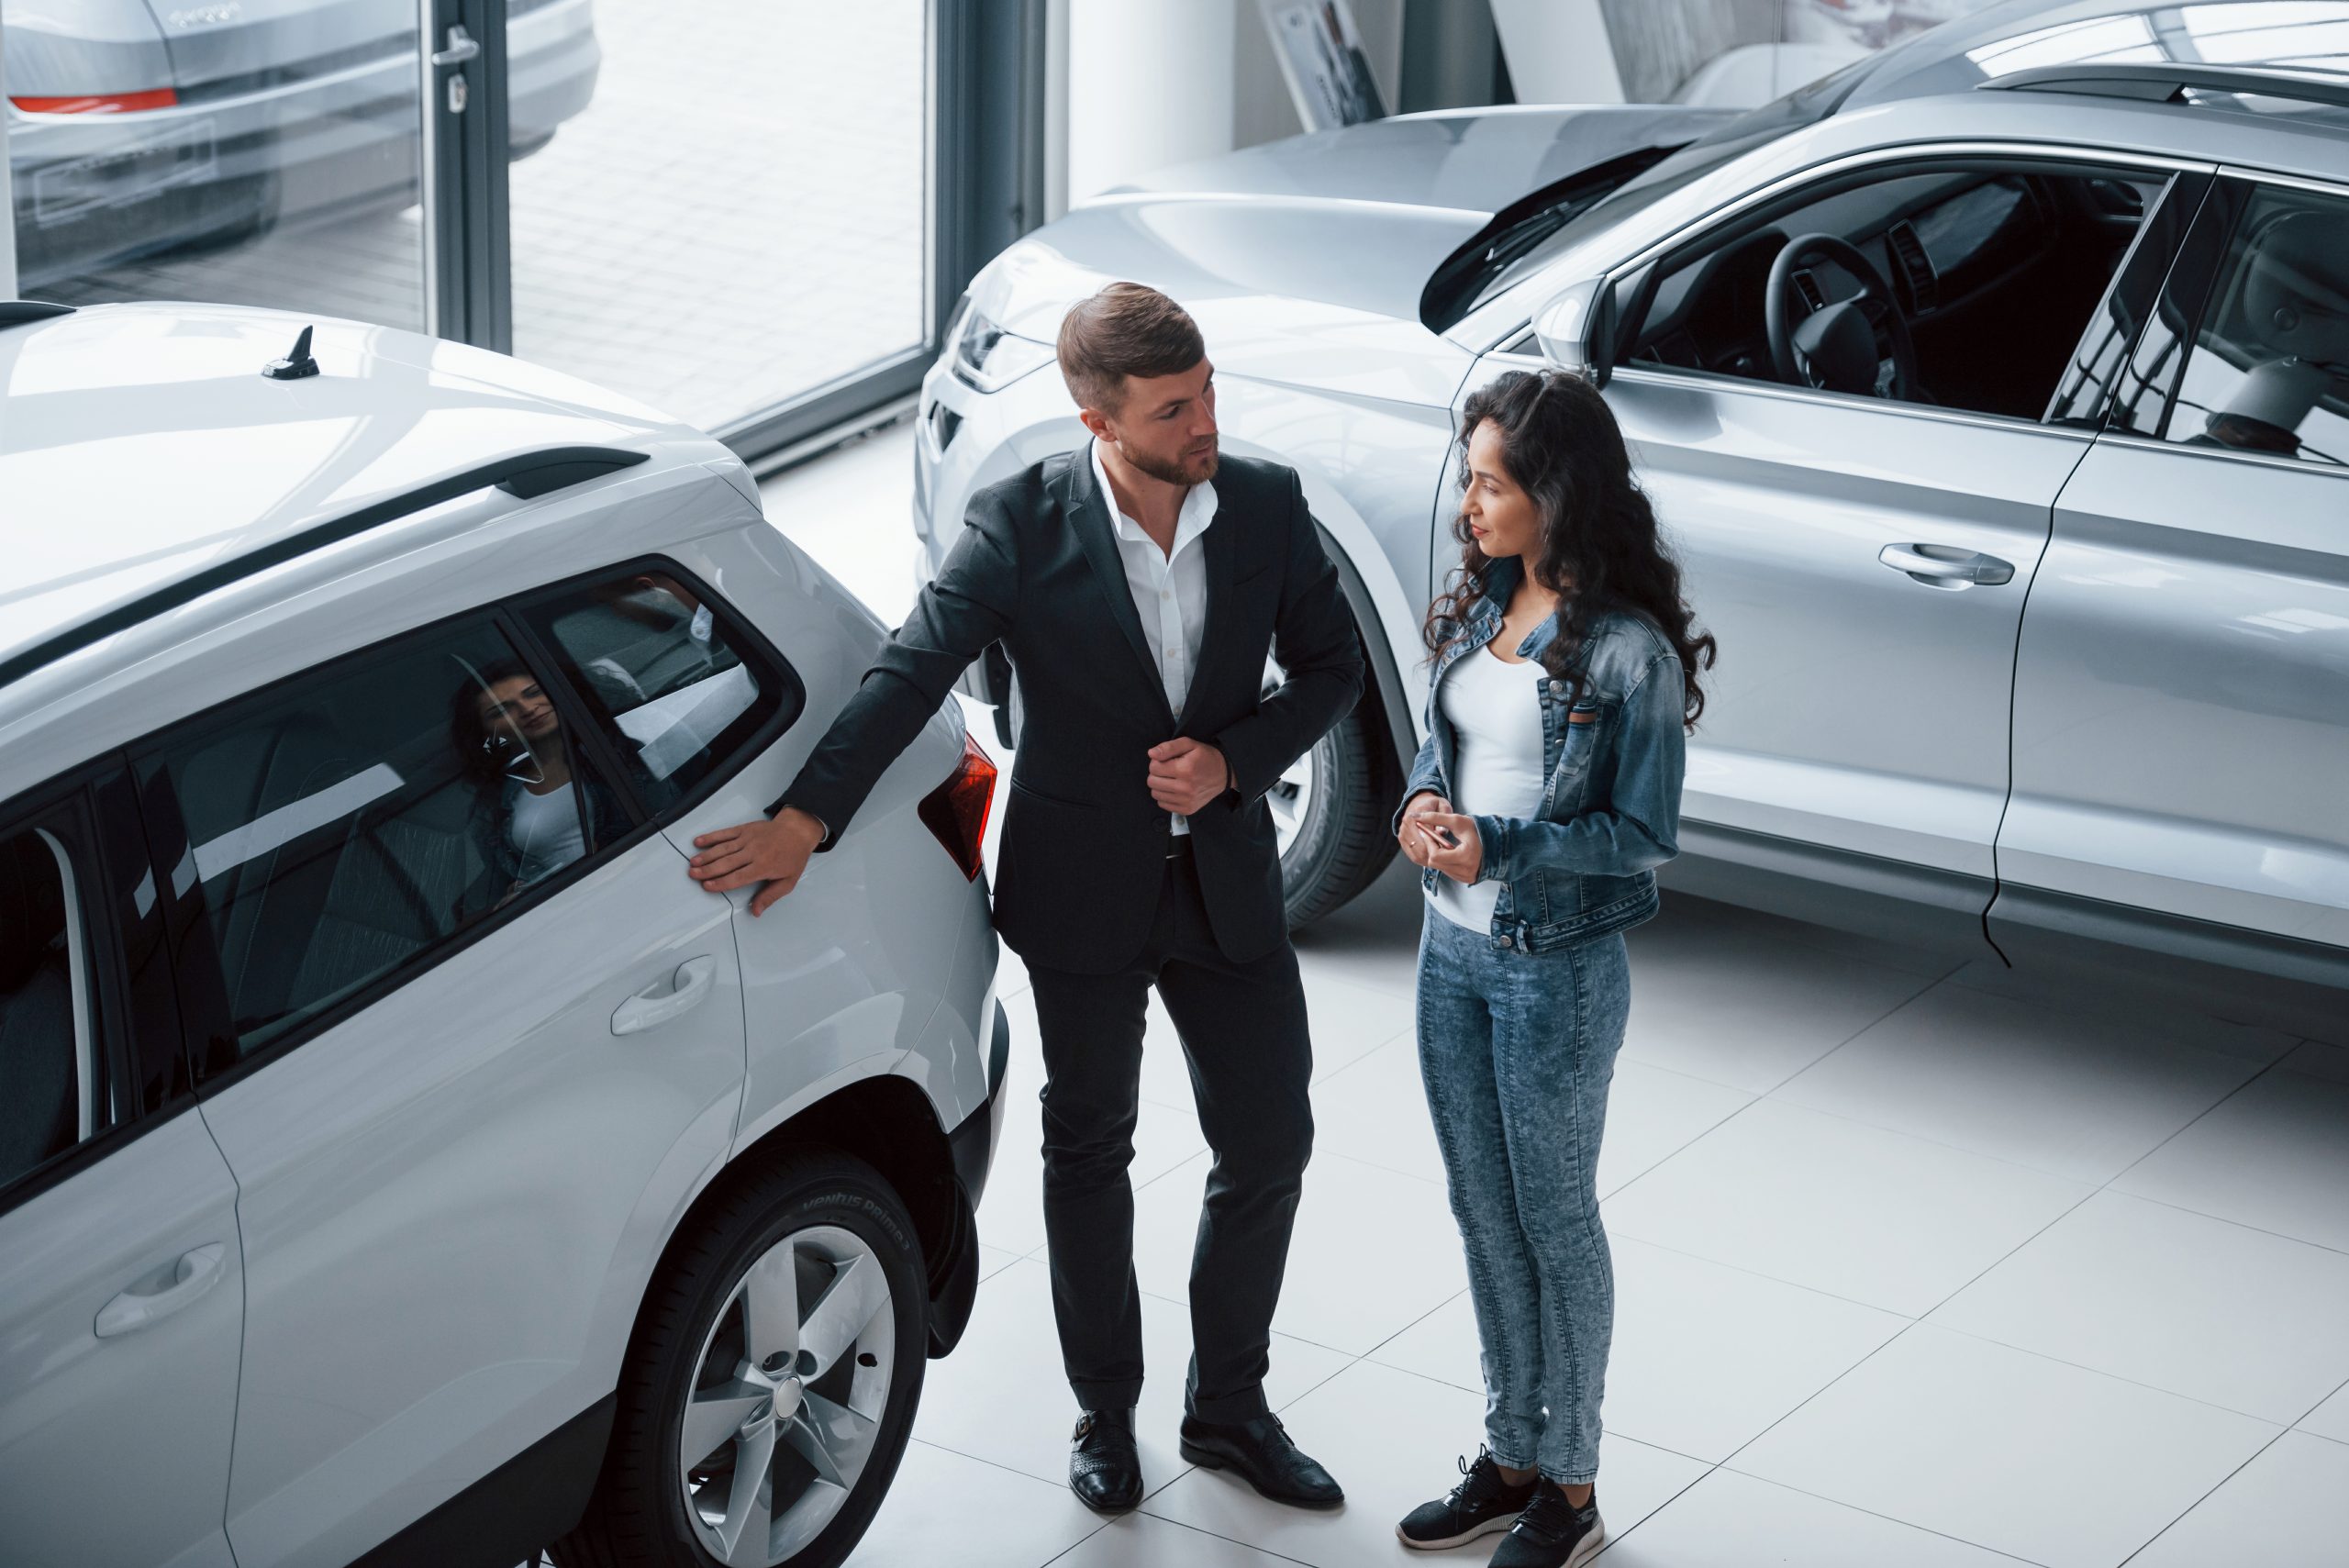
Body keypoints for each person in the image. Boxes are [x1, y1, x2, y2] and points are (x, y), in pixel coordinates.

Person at [684, 282, 1364, 1514]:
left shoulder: (1265, 503)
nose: (1205, 420)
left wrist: (1237, 760)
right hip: (1084, 894)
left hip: (1223, 887)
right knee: (1090, 1148)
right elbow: (908, 672)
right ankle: (1105, 1413)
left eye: (1208, 390)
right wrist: (804, 821)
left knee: (1270, 1141)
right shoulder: (1017, 524)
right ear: (1097, 416)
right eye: (1173, 407)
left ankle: (1228, 1410)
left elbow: (1332, 668)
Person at [1391, 370, 1714, 1568]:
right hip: (1450, 955)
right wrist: (1424, 808)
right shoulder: (1484, 609)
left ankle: (1570, 1489)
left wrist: (1502, 846)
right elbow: (1446, 745)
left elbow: (1639, 836)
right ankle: (1508, 1454)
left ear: (1555, 496)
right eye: (1471, 478)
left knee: (1554, 1220)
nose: (1469, 504)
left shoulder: (1631, 658)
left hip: (1555, 971)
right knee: (1484, 1212)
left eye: (1490, 484)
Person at [451, 661, 625, 913]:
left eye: (533, 693)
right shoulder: (493, 804)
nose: (527, 709)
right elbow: (497, 887)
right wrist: (509, 900)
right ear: (487, 733)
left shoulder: (618, 749)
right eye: (501, 711)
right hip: (567, 911)